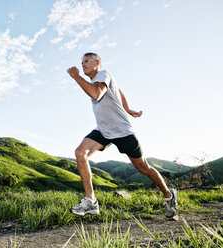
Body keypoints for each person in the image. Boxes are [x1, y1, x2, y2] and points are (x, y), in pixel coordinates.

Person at [67, 52, 178, 218]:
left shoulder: (103, 74)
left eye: (86, 61)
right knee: (80, 152)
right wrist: (127, 108)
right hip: (104, 131)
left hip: (122, 131)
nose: (82, 65)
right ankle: (91, 201)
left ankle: (169, 196)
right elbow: (118, 91)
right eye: (81, 62)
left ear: (97, 63)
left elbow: (96, 94)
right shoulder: (97, 80)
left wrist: (75, 76)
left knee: (143, 168)